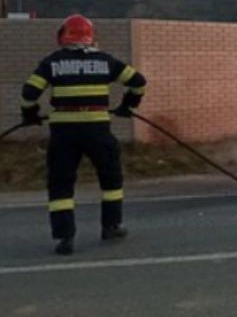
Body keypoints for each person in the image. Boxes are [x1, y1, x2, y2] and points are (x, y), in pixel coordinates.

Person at [20, 14, 147, 255]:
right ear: (91, 37)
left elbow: (29, 93)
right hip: (98, 129)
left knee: (61, 184)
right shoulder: (105, 61)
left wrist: (30, 115)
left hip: (64, 133)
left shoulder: (52, 62)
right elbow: (139, 82)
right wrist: (127, 106)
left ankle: (64, 238)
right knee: (111, 179)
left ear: (63, 35)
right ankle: (111, 226)